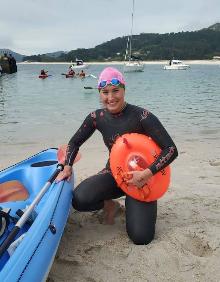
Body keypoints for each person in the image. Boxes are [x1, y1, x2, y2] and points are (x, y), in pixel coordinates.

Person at [57, 67, 178, 245]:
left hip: (144, 179)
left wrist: (146, 174)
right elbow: (74, 143)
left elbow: (171, 149)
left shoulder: (142, 116)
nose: (110, 97)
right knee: (79, 200)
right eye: (105, 92)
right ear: (99, 93)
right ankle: (111, 205)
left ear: (123, 90)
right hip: (114, 173)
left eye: (115, 91)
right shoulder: (96, 117)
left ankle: (134, 205)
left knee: (141, 238)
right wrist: (67, 166)